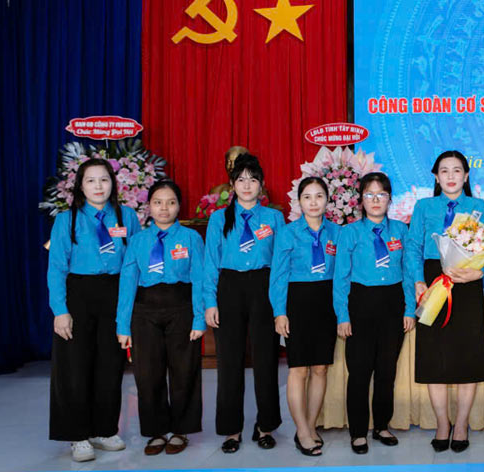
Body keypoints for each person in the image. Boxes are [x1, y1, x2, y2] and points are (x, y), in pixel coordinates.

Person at [47, 158, 141, 462]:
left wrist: (128, 312)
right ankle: (78, 435)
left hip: (116, 292)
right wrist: (60, 310)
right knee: (75, 367)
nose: (98, 186)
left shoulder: (127, 217)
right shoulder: (67, 220)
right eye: (91, 180)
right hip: (79, 294)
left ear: (113, 183)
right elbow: (57, 267)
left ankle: (105, 429)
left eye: (104, 179)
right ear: (80, 186)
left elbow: (134, 263)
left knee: (110, 365)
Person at [404, 151, 484, 453]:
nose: (451, 176)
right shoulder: (424, 206)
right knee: (434, 356)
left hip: (467, 284)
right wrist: (418, 281)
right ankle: (443, 423)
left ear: (466, 176)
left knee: (468, 355)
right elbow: (413, 247)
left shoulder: (479, 207)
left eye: (457, 170)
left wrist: (478, 273)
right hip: (432, 282)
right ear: (436, 176)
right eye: (444, 170)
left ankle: (462, 424)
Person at [116, 179, 205, 456]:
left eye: (170, 202)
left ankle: (181, 429)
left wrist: (199, 318)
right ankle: (156, 431)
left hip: (181, 308)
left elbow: (200, 279)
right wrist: (123, 324)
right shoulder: (138, 241)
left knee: (184, 371)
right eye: (157, 202)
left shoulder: (191, 238)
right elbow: (127, 283)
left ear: (179, 206)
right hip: (145, 312)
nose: (164, 208)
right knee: (148, 373)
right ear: (149, 207)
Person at [204, 153, 284, 453]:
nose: (247, 185)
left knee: (266, 359)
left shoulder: (274, 218)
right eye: (241, 180)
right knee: (229, 361)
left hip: (263, 286)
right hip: (229, 287)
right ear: (232, 185)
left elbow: (281, 265)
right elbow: (210, 262)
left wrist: (280, 306)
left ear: (262, 185)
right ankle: (231, 429)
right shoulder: (218, 219)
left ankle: (266, 426)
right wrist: (210, 302)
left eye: (253, 180)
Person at [333, 172, 415, 454]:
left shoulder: (401, 230)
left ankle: (381, 426)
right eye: (369, 194)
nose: (376, 200)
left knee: (386, 371)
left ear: (390, 198)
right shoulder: (349, 232)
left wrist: (409, 308)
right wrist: (343, 315)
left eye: (381, 194)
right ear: (361, 200)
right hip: (360, 303)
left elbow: (409, 272)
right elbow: (341, 278)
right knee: (359, 372)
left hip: (393, 303)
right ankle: (358, 432)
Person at [269, 177, 340, 456]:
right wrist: (279, 312)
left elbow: (343, 273)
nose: (313, 202)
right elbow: (278, 275)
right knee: (298, 369)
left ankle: (310, 426)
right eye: (307, 197)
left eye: (319, 196)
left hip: (326, 302)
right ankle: (301, 430)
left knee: (320, 368)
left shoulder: (337, 232)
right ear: (299, 202)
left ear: (327, 200)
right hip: (297, 302)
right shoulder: (288, 233)